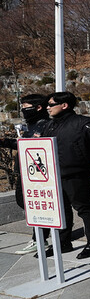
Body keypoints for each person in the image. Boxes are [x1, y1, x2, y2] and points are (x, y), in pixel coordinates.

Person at [41, 91, 90, 257]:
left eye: (51, 104)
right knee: (61, 210)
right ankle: (63, 243)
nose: (47, 108)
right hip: (54, 175)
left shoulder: (82, 123)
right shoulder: (50, 125)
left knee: (83, 207)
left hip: (76, 173)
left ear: (64, 105)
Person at [3, 94, 55, 255]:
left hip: (38, 174)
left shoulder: (45, 125)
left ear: (38, 107)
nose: (24, 111)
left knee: (35, 205)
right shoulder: (30, 125)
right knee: (23, 202)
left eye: (25, 108)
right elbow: (21, 145)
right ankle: (41, 235)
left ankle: (40, 238)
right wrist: (4, 141)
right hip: (25, 171)